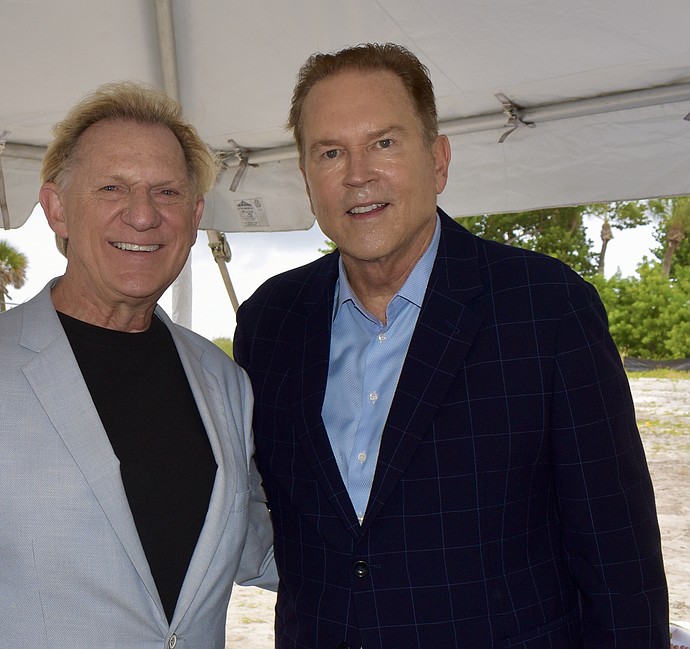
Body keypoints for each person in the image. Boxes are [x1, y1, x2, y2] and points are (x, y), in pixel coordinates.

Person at [234, 43, 669, 648]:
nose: (357, 173)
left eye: (384, 143)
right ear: (307, 178)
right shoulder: (269, 322)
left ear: (438, 160)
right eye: (330, 152)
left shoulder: (546, 308)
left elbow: (618, 555)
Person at [0, 81, 275, 649]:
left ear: (196, 214)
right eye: (112, 187)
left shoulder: (224, 381)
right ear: (56, 208)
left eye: (168, 192)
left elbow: (254, 546)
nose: (143, 215)